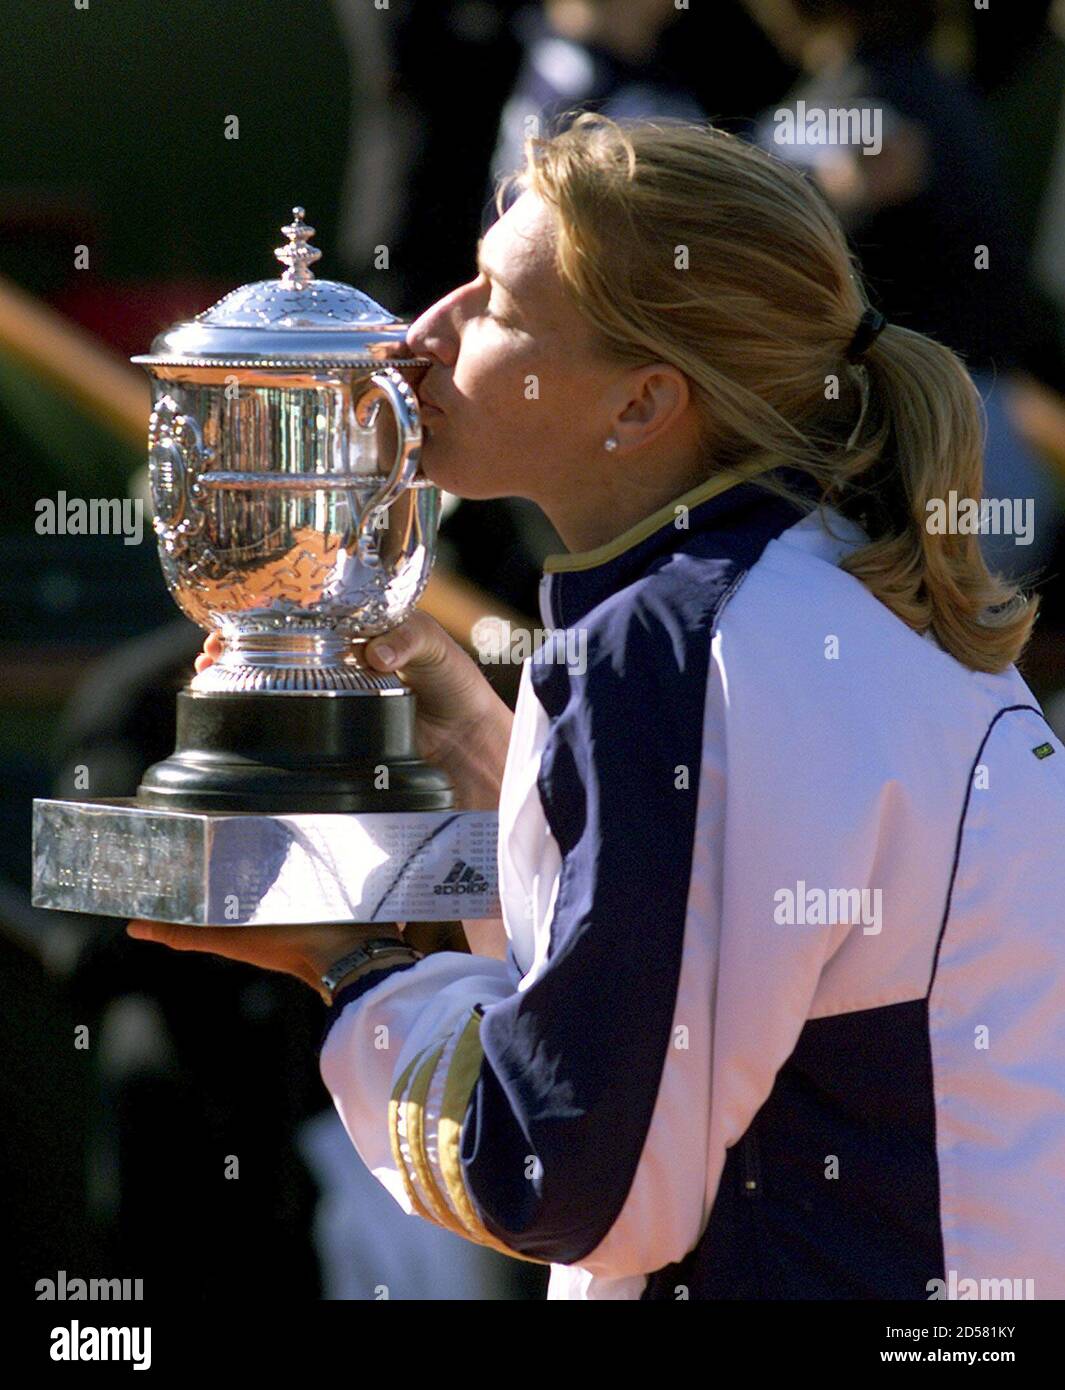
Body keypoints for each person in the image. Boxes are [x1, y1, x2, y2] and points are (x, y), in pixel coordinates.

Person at [129, 114, 1065, 1300]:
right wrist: (474, 735)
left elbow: (574, 1176)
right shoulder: (853, 588)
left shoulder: (674, 646)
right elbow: (687, 974)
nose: (426, 331)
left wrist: (356, 970)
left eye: (498, 304)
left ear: (639, 406)